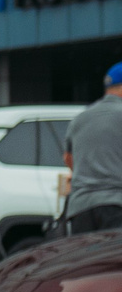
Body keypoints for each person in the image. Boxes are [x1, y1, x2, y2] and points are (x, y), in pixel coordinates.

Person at [60, 64, 122, 234]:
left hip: (80, 208)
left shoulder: (80, 118)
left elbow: (68, 158)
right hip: (116, 205)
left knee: (85, 253)